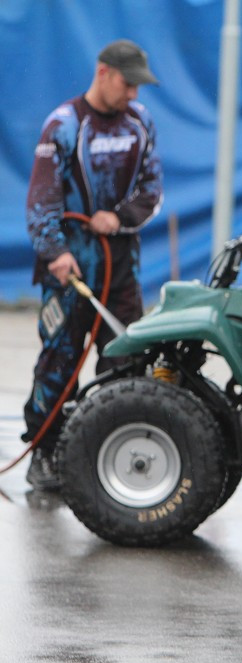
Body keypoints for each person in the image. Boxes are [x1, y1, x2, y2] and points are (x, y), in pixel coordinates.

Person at [23, 39, 163, 491]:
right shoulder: (64, 125)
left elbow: (152, 191)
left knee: (126, 358)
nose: (134, 95)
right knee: (59, 360)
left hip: (122, 266)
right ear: (103, 73)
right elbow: (40, 200)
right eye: (128, 84)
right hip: (69, 268)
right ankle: (43, 454)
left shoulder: (141, 122)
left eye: (139, 86)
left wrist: (119, 219)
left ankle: (106, 451)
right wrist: (55, 252)